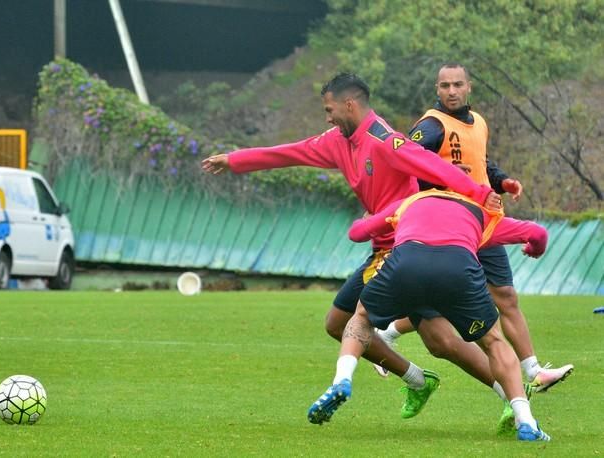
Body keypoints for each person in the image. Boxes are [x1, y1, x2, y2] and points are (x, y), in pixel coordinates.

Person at [202, 72, 501, 419]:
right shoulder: (336, 141)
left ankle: (500, 391)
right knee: (426, 339)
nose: (327, 117)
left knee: (427, 338)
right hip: (384, 250)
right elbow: (289, 153)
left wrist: (480, 193)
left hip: (408, 248)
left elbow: (430, 164)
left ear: (350, 104)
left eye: (330, 109)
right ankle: (427, 381)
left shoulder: (384, 140)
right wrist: (235, 160)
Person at [376, 63, 573, 394]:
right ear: (436, 90)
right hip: (447, 227)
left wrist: (502, 180)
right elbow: (406, 159)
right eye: (444, 86)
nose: (451, 91)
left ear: (469, 87)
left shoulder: (478, 121)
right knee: (447, 299)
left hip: (483, 222)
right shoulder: (431, 125)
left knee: (506, 296)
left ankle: (534, 370)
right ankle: (385, 335)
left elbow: (478, 162)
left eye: (457, 85)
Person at [308, 188, 551, 441]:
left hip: (407, 262)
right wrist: (535, 249)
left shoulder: (410, 201)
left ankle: (342, 379)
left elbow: (358, 232)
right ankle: (527, 422)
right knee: (493, 341)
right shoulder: (480, 213)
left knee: (361, 317)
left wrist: (364, 220)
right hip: (458, 267)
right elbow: (538, 233)